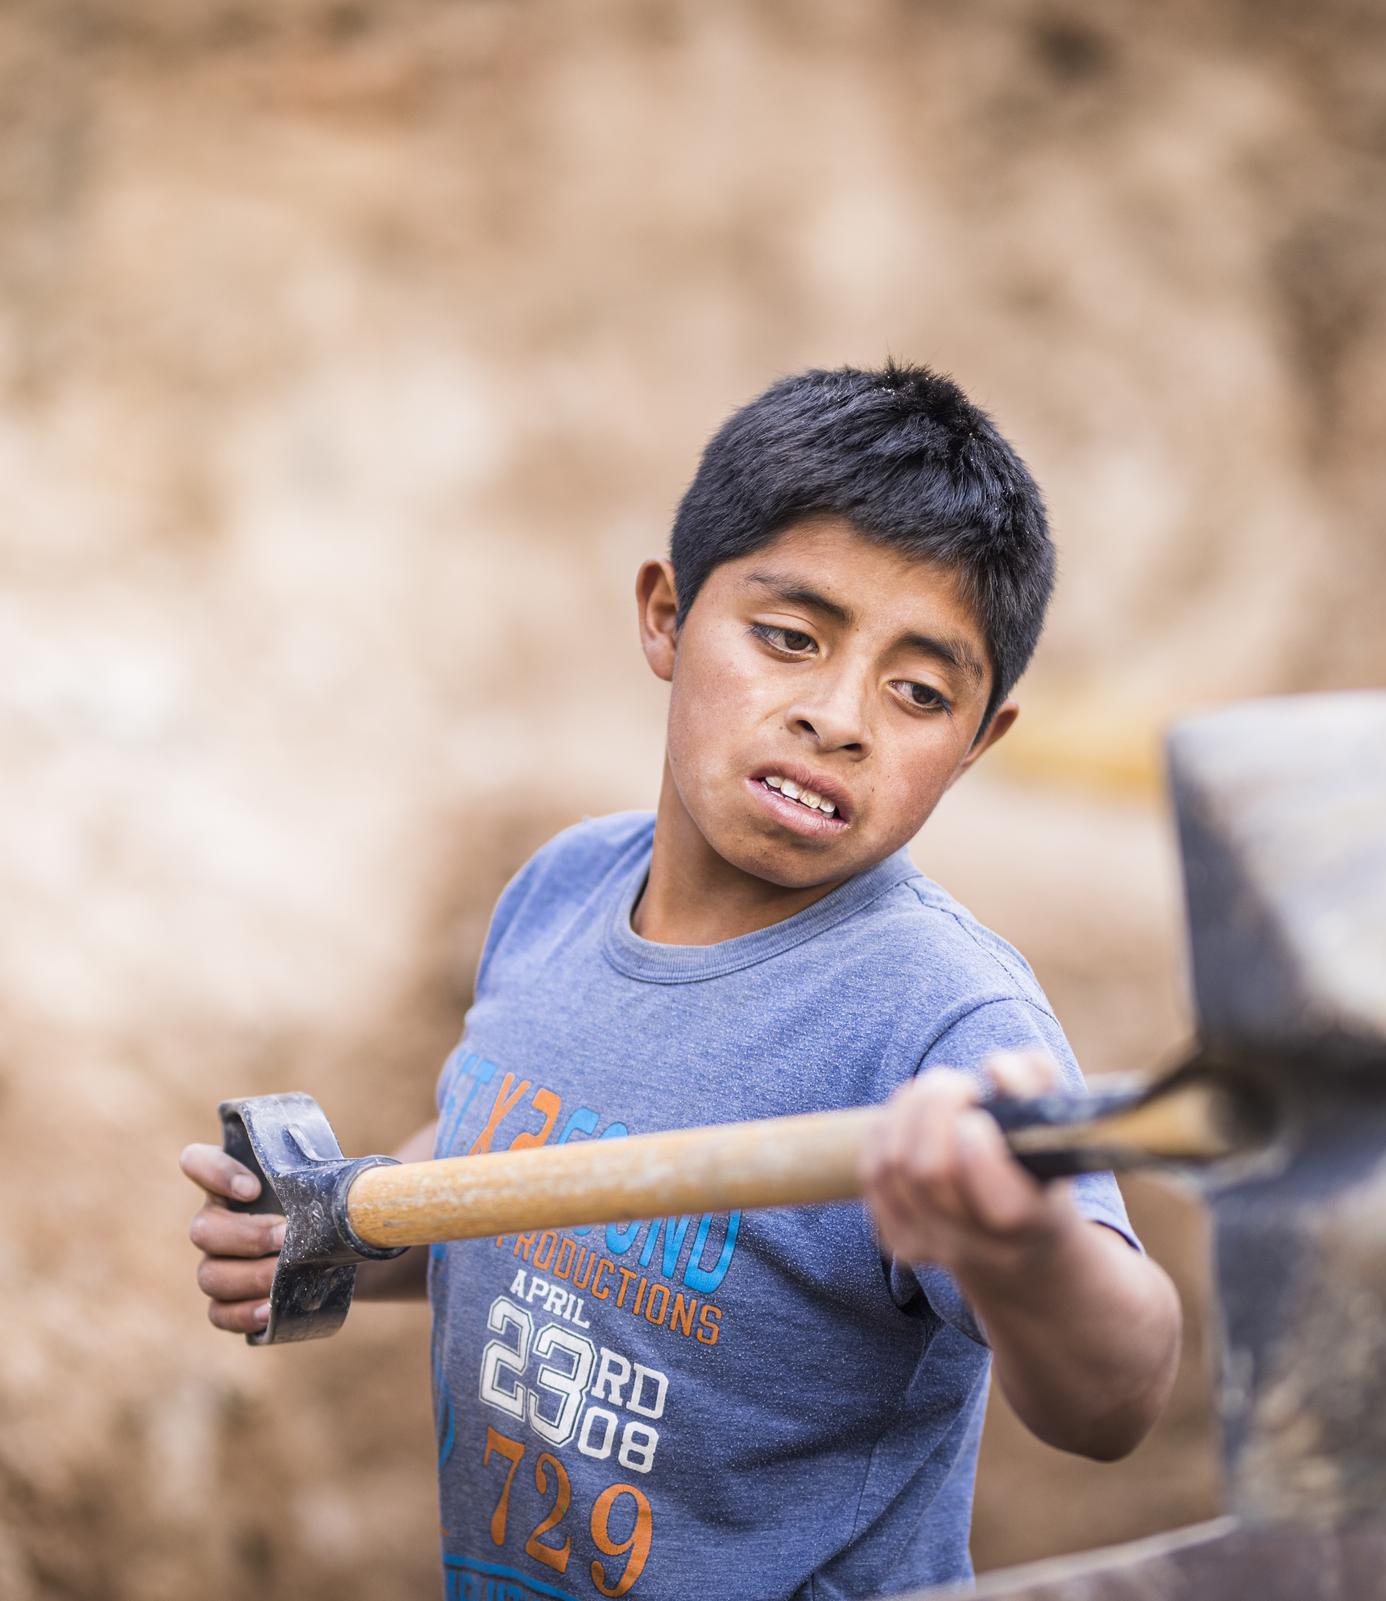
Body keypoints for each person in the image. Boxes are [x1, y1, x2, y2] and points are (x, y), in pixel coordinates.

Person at [180, 363, 1183, 1600]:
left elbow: (1119, 1391)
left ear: (979, 743)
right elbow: (515, 1168)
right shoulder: (558, 893)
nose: (838, 715)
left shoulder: (941, 1022)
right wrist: (333, 1225)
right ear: (664, 615)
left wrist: (1025, 1247)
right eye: (789, 637)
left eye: (920, 691)